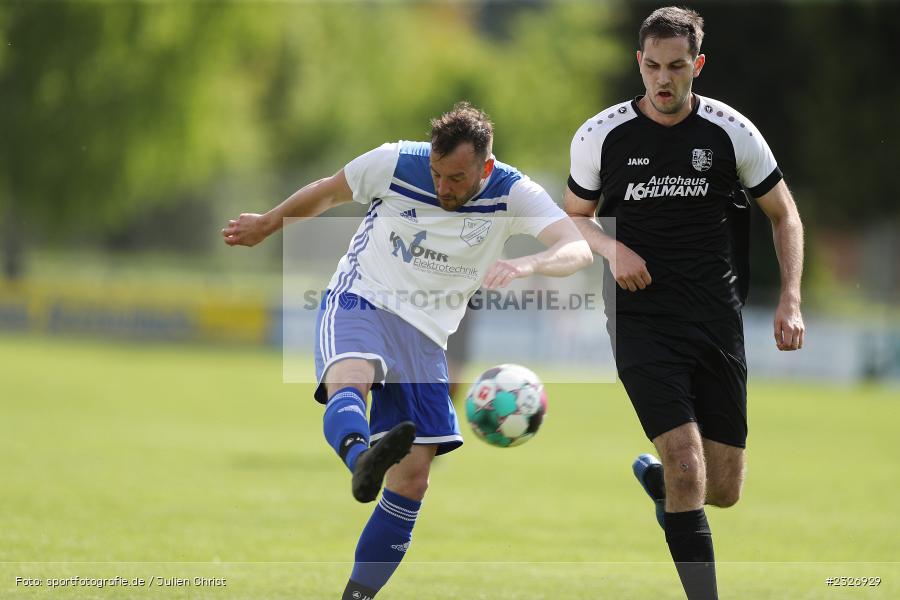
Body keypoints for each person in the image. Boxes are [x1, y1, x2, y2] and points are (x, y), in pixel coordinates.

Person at [223, 102, 592, 599]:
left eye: (456, 178)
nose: (443, 187)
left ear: (485, 166)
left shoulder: (513, 191)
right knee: (351, 377)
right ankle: (361, 458)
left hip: (426, 337)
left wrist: (528, 265)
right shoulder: (394, 161)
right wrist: (267, 224)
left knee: (413, 480)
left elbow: (577, 248)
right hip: (363, 297)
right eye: (437, 174)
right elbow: (328, 191)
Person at [564, 7, 804, 600]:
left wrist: (791, 298)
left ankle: (664, 490)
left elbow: (784, 215)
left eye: (676, 67)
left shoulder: (731, 131)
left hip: (715, 319)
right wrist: (612, 249)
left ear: (697, 65)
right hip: (641, 321)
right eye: (652, 66)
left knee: (722, 489)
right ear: (638, 63)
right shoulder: (601, 135)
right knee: (687, 465)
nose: (663, 79)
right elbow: (573, 219)